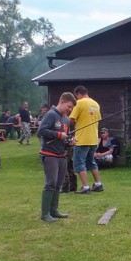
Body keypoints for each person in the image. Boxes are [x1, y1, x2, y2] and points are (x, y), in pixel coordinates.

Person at [38, 92, 76, 222]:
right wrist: (59, 135)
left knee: (58, 184)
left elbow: (66, 136)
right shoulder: (51, 114)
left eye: (71, 108)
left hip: (62, 155)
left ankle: (54, 210)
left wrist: (70, 141)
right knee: (51, 183)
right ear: (62, 102)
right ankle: (45, 214)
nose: (70, 110)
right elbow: (41, 131)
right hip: (50, 155)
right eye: (69, 106)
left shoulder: (66, 119)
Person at [69, 85, 104, 194]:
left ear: (78, 94)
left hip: (82, 138)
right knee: (91, 161)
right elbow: (97, 120)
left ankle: (85, 187)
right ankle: (98, 184)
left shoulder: (79, 103)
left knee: (79, 163)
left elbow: (71, 119)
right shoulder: (96, 104)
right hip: (93, 138)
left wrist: (74, 125)